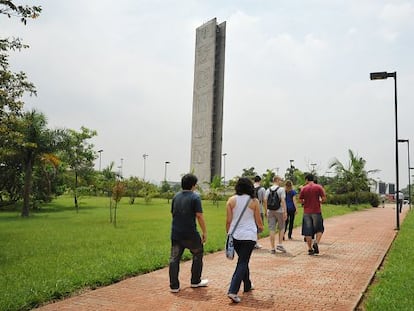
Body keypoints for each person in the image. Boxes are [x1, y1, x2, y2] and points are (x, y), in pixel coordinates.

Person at [226, 177, 264, 303]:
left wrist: (228, 233)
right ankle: (232, 290)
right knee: (243, 261)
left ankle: (247, 285)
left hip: (235, 235)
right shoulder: (254, 201)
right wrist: (261, 227)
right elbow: (258, 220)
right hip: (249, 236)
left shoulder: (231, 200)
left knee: (243, 259)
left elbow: (228, 221)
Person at [169, 173, 208, 293]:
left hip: (176, 233)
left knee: (174, 259)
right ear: (193, 185)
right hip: (190, 233)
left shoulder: (175, 197)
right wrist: (204, 232)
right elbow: (199, 216)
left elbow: (173, 213)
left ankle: (174, 286)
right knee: (197, 253)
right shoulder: (195, 197)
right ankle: (195, 281)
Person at [299, 173, 326, 255]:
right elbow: (324, 198)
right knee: (319, 229)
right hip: (316, 211)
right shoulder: (319, 187)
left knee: (308, 231)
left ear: (306, 180)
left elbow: (300, 200)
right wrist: (319, 202)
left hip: (307, 212)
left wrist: (304, 203)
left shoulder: (304, 188)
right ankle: (316, 243)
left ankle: (310, 249)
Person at [264, 176, 287, 254]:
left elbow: (265, 200)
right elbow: (283, 201)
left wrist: (266, 210)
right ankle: (280, 244)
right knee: (281, 227)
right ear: (277, 180)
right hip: (279, 210)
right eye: (280, 180)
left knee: (272, 229)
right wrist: (285, 212)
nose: (281, 181)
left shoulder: (268, 190)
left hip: (270, 211)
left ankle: (272, 248)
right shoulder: (281, 189)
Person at [253, 175, 266, 249]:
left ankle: (252, 242)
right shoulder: (262, 189)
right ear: (260, 181)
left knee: (252, 225)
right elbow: (264, 200)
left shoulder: (250, 188)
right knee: (258, 226)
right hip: (259, 209)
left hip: (251, 210)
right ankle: (256, 243)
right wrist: (266, 210)